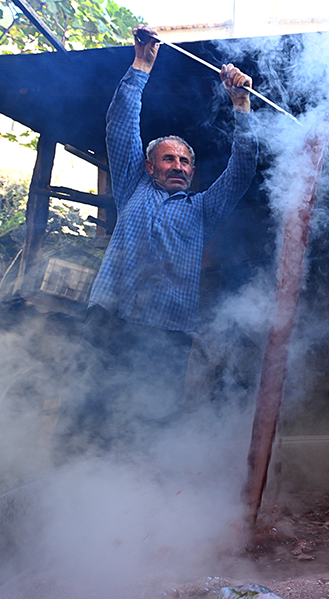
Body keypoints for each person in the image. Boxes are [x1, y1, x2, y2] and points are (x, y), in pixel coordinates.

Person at [59, 25, 258, 454]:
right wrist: (141, 66)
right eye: (168, 158)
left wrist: (240, 103)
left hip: (168, 333)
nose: (179, 165)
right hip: (109, 318)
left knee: (151, 422)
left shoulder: (203, 208)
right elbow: (120, 126)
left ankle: (139, 504)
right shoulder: (134, 185)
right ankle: (69, 492)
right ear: (150, 166)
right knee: (88, 410)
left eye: (185, 161)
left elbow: (243, 169)